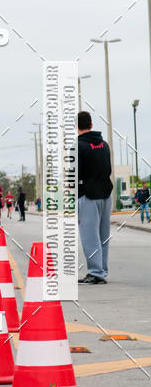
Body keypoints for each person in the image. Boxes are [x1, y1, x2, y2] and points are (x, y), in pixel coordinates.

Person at [77, 111, 112, 284]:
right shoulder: (104, 144)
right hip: (106, 195)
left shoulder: (77, 146)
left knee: (90, 237)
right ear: (91, 125)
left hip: (88, 196)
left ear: (77, 126)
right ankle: (102, 270)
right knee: (103, 236)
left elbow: (74, 175)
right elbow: (108, 168)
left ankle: (96, 273)